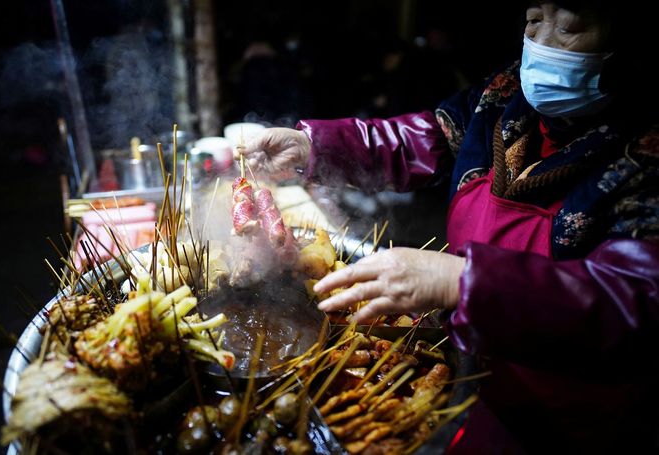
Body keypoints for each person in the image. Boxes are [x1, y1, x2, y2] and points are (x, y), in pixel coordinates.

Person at [237, 1, 659, 453]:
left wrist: (462, 280)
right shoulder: (502, 96)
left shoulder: (647, 151)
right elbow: (424, 139)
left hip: (574, 416)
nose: (543, 44)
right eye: (534, 20)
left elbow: (635, 298)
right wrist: (310, 147)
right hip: (467, 370)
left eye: (572, 24)